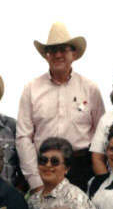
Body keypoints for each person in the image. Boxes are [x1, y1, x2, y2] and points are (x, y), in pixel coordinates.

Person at [17, 22, 105, 191]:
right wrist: (35, 180)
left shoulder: (90, 88)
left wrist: (97, 175)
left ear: (74, 53)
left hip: (81, 168)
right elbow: (23, 137)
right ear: (46, 56)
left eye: (63, 49)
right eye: (52, 50)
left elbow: (100, 133)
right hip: (44, 167)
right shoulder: (31, 89)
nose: (58, 55)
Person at [27, 137, 97, 209]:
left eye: (54, 161)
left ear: (67, 168)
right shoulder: (33, 200)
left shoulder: (75, 197)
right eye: (43, 160)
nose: (48, 165)